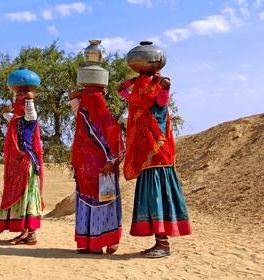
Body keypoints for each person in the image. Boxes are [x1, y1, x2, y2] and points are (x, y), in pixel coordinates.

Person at [116, 73, 192, 258]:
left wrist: (157, 80)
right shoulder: (137, 101)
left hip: (159, 160)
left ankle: (163, 244)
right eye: (141, 88)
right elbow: (119, 89)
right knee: (152, 200)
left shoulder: (159, 100)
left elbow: (166, 87)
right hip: (147, 161)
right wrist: (137, 79)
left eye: (145, 87)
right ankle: (159, 242)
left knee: (159, 198)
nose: (142, 90)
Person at [0, 67, 44, 245]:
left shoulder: (30, 118)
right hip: (19, 164)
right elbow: (9, 116)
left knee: (27, 197)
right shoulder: (17, 120)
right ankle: (24, 233)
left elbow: (29, 108)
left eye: (20, 101)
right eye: (17, 100)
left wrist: (28, 97)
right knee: (21, 198)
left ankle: (29, 234)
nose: (18, 103)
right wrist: (5, 111)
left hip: (27, 163)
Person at [69, 86, 124, 254]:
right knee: (87, 203)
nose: (89, 104)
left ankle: (109, 241)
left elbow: (118, 145)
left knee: (105, 202)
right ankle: (89, 242)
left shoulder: (107, 121)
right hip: (86, 170)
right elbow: (72, 97)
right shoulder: (82, 115)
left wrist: (111, 161)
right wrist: (89, 89)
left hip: (103, 170)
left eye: (93, 100)